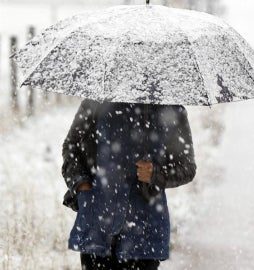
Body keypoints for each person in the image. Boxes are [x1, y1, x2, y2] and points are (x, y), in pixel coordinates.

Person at [61, 99, 197, 270]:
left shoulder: (170, 109)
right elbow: (71, 147)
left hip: (144, 231)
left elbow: (187, 167)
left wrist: (156, 173)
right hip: (97, 224)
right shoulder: (97, 101)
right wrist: (81, 184)